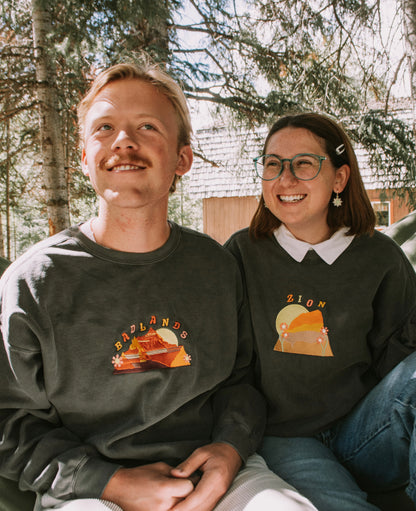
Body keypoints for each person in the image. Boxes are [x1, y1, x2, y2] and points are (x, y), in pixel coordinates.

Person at [0, 63, 317, 511]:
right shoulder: (34, 282)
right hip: (87, 490)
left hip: (218, 477)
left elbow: (242, 381)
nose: (123, 141)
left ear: (182, 159)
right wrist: (110, 482)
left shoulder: (217, 268)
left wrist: (229, 450)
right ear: (84, 157)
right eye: (105, 127)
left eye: (147, 126)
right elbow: (10, 422)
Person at [225, 112, 416, 511]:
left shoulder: (380, 257)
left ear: (340, 178)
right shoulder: (241, 254)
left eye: (304, 164)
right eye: (272, 164)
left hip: (364, 434)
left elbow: (398, 367)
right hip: (286, 438)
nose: (285, 179)